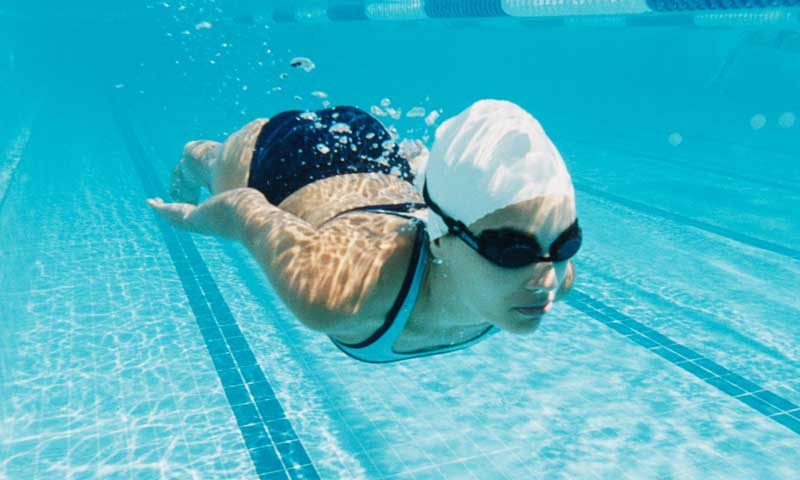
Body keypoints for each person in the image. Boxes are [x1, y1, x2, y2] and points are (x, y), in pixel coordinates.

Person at [148, 100, 581, 363]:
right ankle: (199, 156)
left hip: (377, 157)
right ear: (442, 238)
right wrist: (192, 220)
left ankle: (420, 169)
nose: (548, 279)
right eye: (511, 251)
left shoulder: (554, 273)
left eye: (567, 244)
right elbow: (246, 209)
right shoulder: (337, 293)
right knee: (214, 165)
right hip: (290, 165)